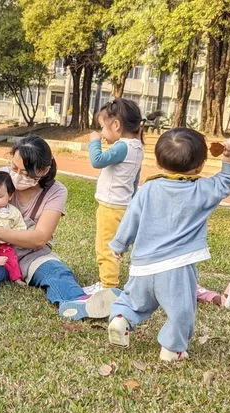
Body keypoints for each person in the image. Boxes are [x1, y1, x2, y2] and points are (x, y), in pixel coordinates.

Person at [0, 135, 119, 315]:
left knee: (56, 271)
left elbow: (40, 238)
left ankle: (76, 302)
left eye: (25, 172)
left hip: (31, 254)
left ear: (44, 170)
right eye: (14, 167)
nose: (16, 175)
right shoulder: (2, 178)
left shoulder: (56, 191)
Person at [107, 130, 230, 362]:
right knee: (181, 311)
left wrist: (119, 245)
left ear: (158, 162)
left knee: (134, 301)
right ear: (199, 167)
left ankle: (121, 318)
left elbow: (131, 219)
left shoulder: (147, 189)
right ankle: (172, 349)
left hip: (143, 267)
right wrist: (228, 156)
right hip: (177, 267)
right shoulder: (202, 190)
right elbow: (227, 181)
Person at [85, 99, 144, 294]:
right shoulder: (137, 147)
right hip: (124, 205)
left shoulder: (123, 147)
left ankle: (108, 286)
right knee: (117, 245)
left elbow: (97, 160)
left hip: (110, 207)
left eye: (102, 127)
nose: (101, 133)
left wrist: (93, 142)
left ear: (116, 125)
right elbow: (136, 179)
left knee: (105, 247)